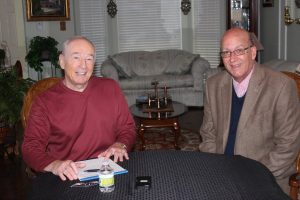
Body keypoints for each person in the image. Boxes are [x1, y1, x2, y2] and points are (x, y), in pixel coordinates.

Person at [199, 27, 300, 193]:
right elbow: (208, 133)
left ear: (252, 52)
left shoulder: (280, 86)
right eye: (226, 52)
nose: (232, 59)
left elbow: (287, 145)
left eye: (239, 50)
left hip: (265, 177)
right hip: (222, 173)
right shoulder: (213, 85)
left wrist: (252, 175)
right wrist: (217, 167)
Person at [22, 36, 136, 181]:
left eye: (89, 59)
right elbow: (30, 147)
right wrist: (54, 165)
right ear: (62, 61)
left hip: (109, 169)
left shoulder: (110, 87)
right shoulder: (44, 102)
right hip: (68, 175)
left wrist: (121, 144)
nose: (83, 66)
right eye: (76, 57)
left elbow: (127, 127)